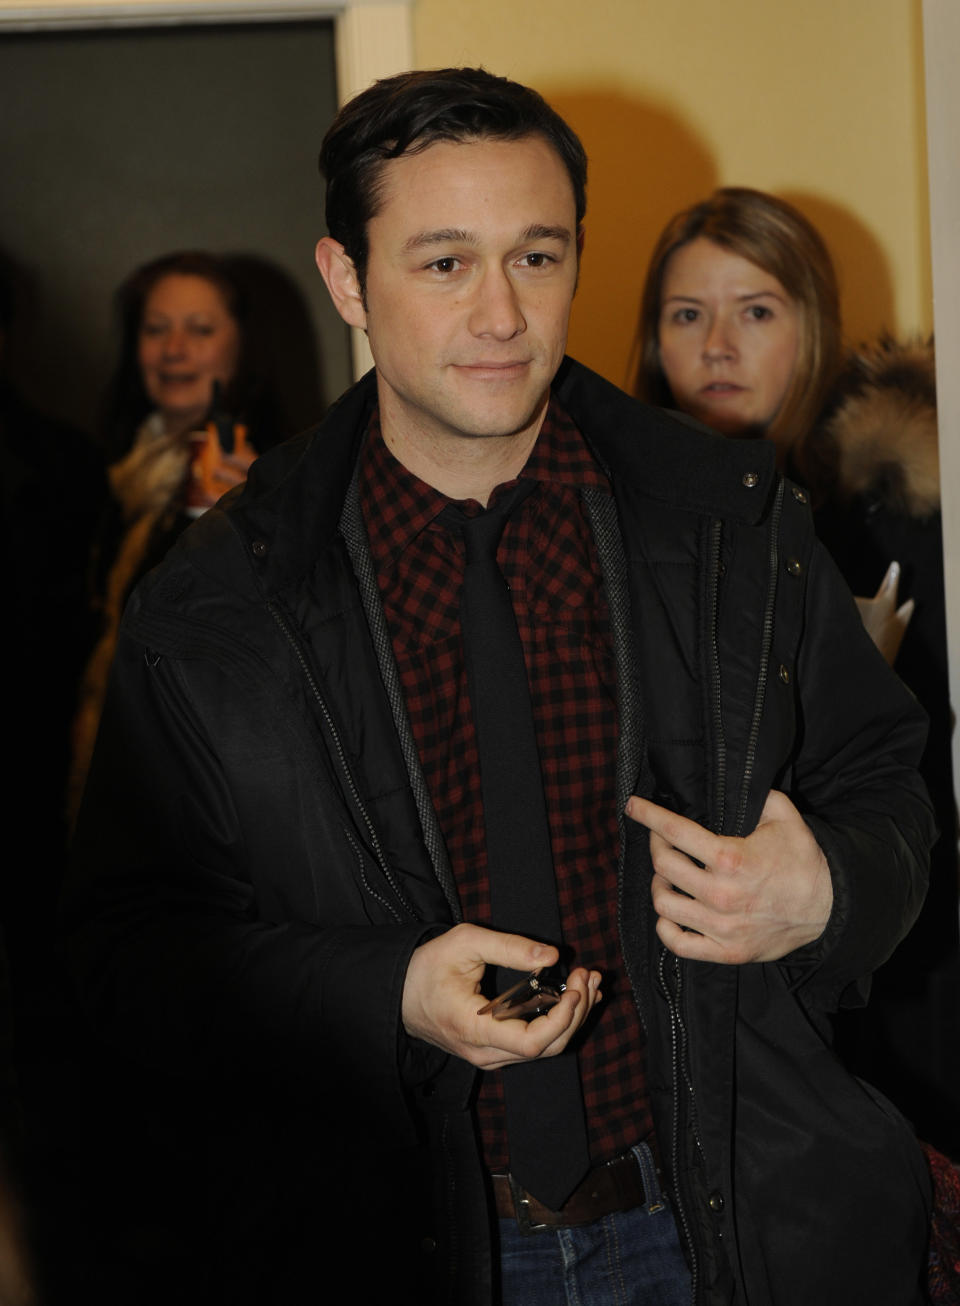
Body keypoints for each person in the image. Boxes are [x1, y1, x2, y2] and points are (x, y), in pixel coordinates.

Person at [66, 71, 935, 1306]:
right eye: (442, 264)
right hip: (390, 1240)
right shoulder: (214, 612)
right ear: (347, 280)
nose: (500, 314)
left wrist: (829, 885)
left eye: (536, 255)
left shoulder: (735, 529)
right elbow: (124, 956)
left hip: (720, 1230)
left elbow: (890, 793)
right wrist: (387, 994)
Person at [635, 188, 960, 1162]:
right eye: (688, 315)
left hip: (904, 956)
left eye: (758, 311)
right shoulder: (614, 522)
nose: (719, 346)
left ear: (815, 329)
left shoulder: (899, 511)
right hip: (694, 993)